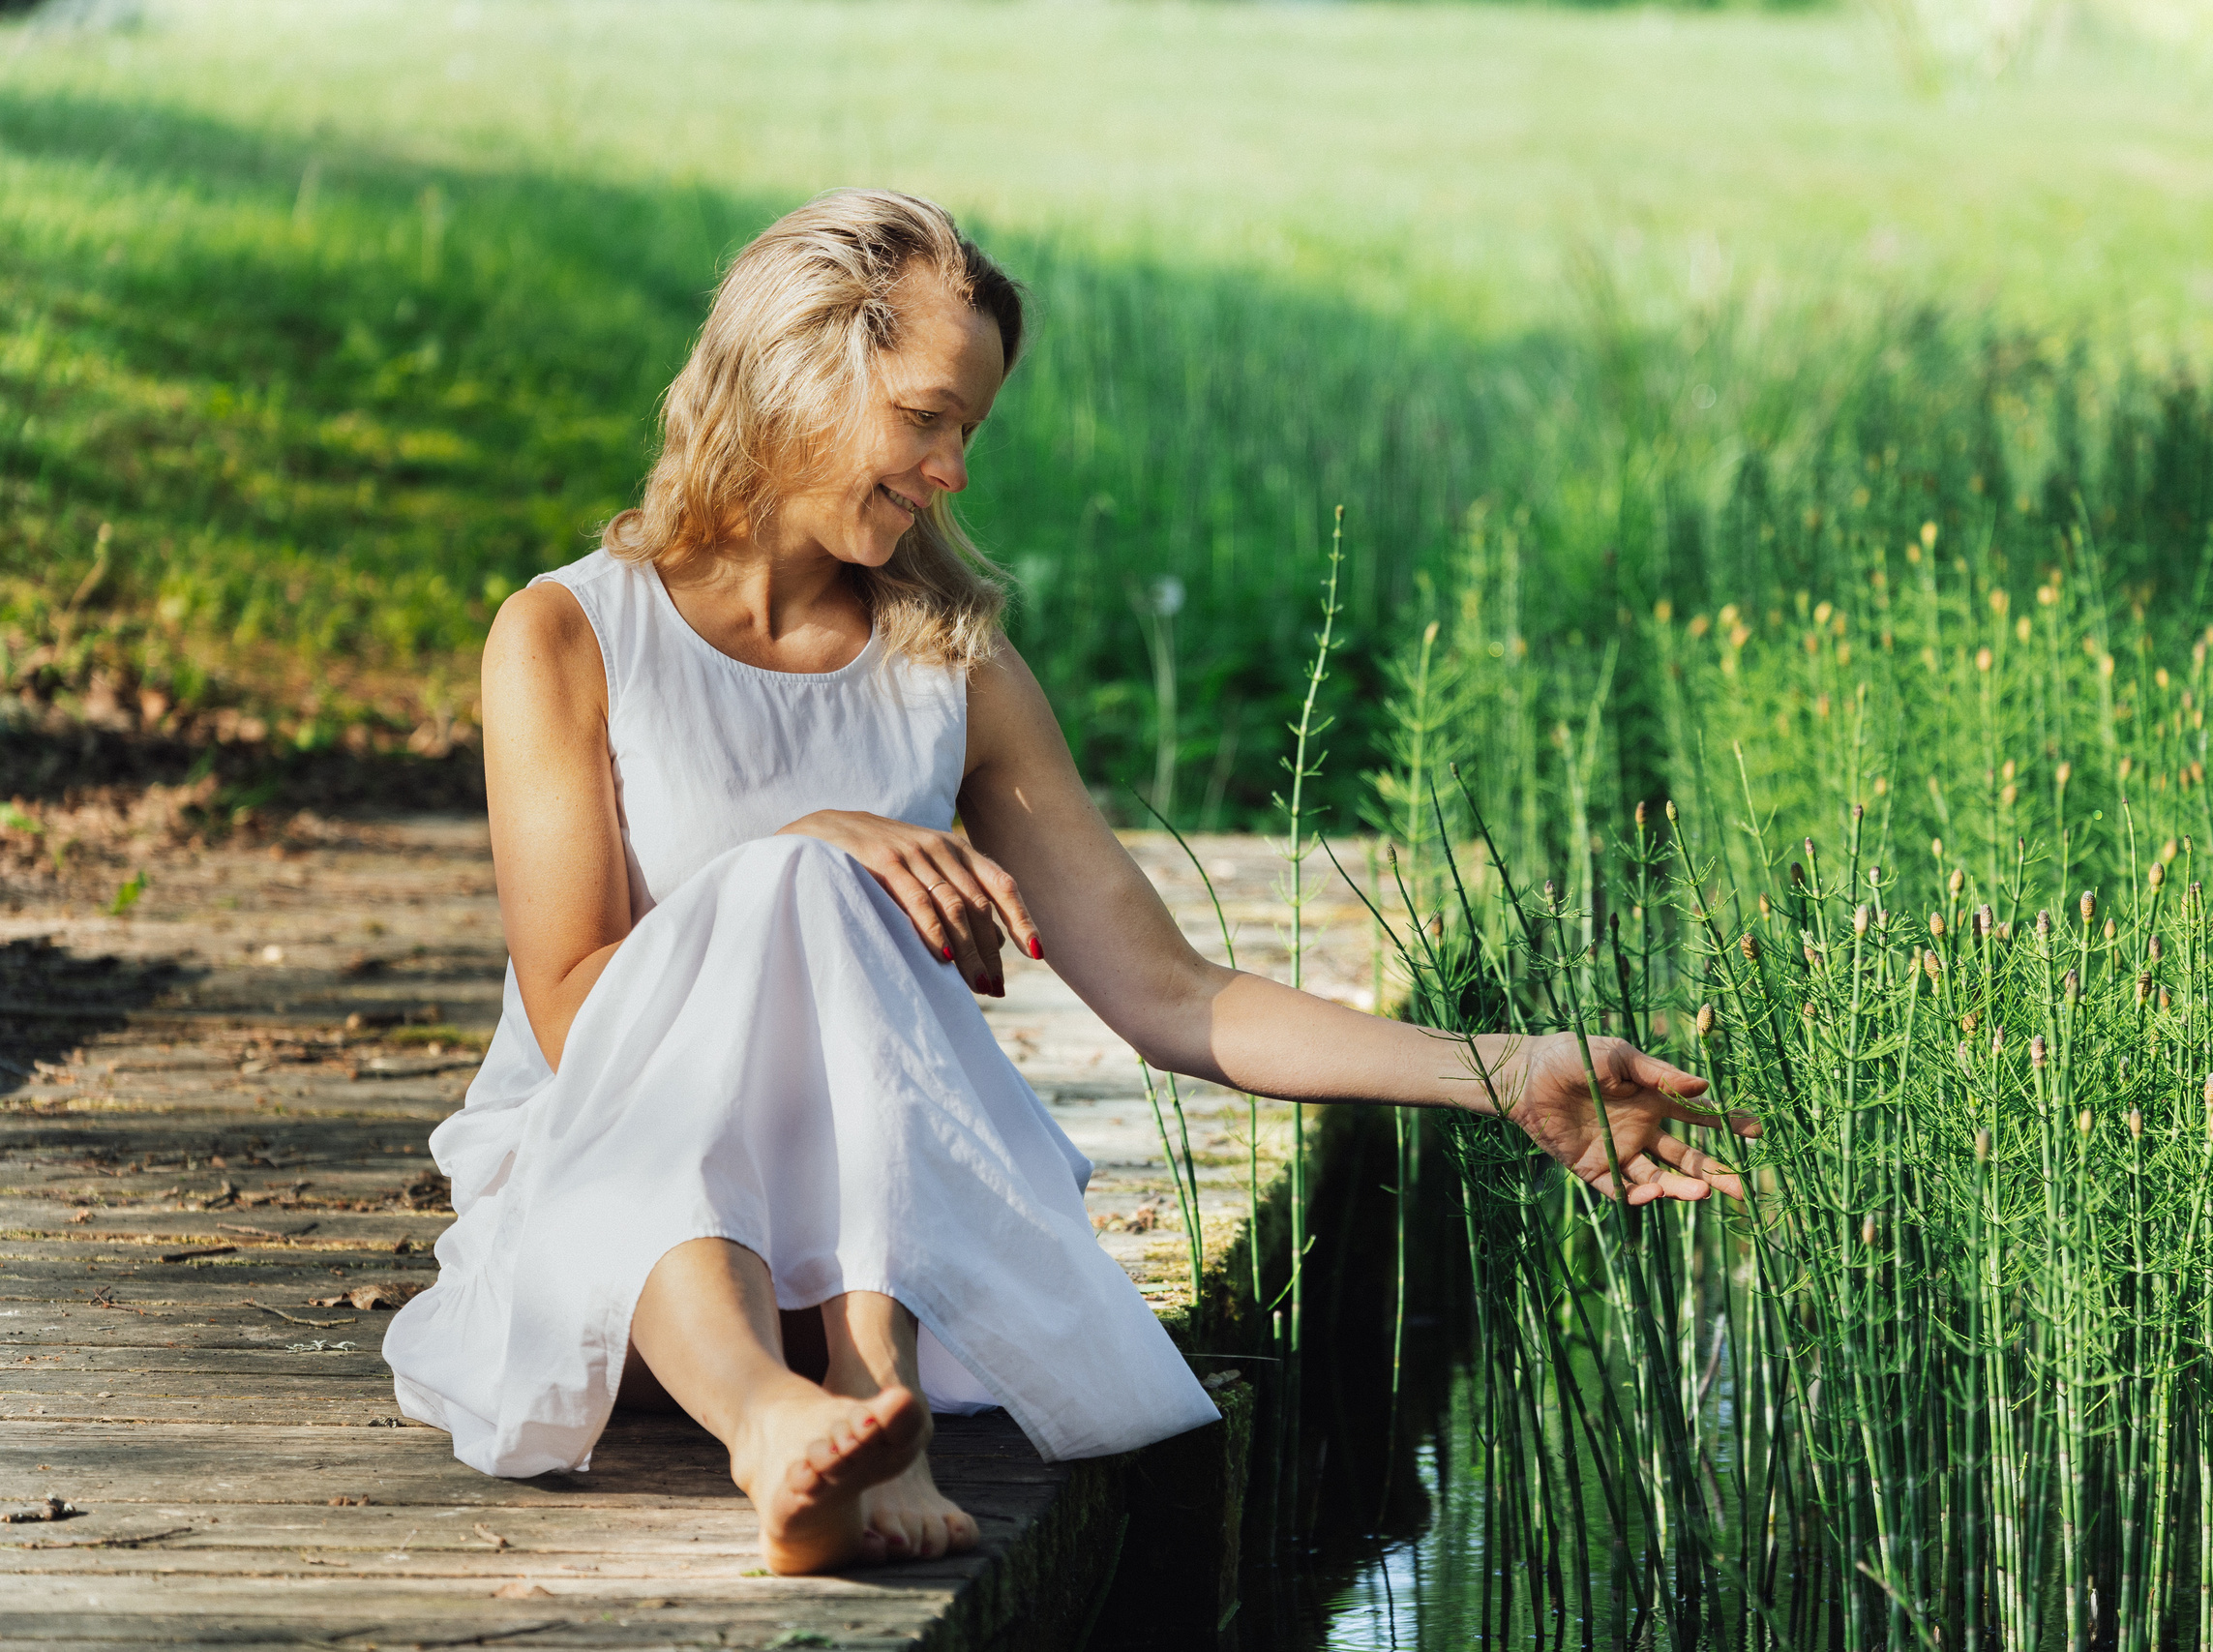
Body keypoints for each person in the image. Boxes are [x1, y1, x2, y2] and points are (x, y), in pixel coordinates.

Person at [381, 188, 1751, 1578]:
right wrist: (807, 845)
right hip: (619, 1233)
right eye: (927, 418)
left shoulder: (948, 668)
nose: (953, 471)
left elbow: (1173, 995)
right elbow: (577, 1017)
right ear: (796, 373)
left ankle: (854, 1403)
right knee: (802, 884)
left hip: (869, 1247)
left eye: (970, 431)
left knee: (818, 888)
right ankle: (781, 1423)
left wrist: (1501, 1068)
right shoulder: (569, 634)